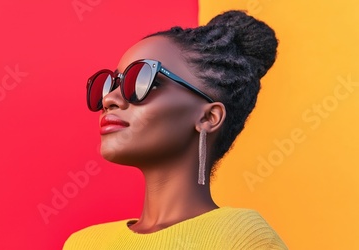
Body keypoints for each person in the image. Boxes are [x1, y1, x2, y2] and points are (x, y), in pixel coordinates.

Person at [64, 10, 287, 249]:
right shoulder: (84, 243)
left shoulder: (242, 239)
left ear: (209, 117)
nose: (110, 99)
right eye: (112, 84)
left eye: (141, 80)